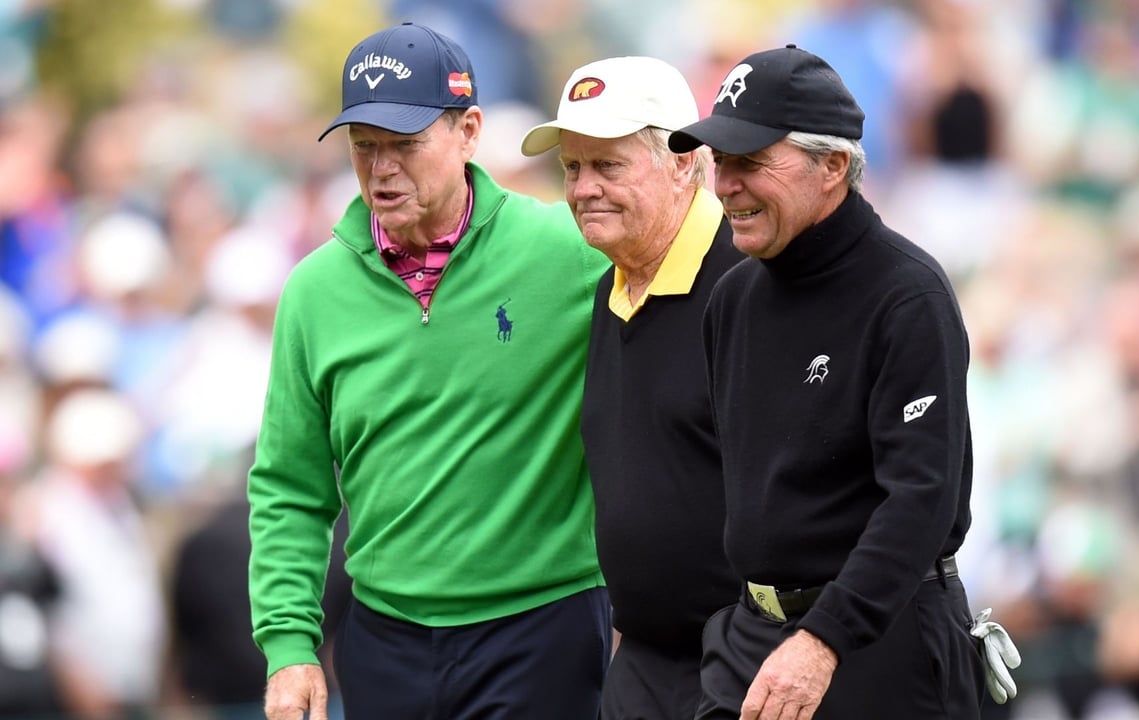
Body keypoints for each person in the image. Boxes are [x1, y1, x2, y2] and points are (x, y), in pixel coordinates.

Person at [247, 22, 612, 720]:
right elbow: (291, 486)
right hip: (385, 638)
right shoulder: (313, 291)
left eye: (405, 145)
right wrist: (289, 643)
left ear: (469, 131)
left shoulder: (568, 250)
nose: (382, 168)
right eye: (365, 148)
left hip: (542, 626)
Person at [667, 45, 1016, 719]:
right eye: (722, 161)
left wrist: (822, 640)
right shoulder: (732, 299)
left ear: (832, 166)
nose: (726, 184)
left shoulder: (906, 295)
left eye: (751, 162)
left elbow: (921, 500)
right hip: (752, 642)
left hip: (876, 646)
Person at [520, 56, 743, 719]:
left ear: (685, 162)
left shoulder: (747, 283)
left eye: (608, 166)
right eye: (572, 168)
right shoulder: (608, 290)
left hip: (748, 653)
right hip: (644, 659)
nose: (583, 188)